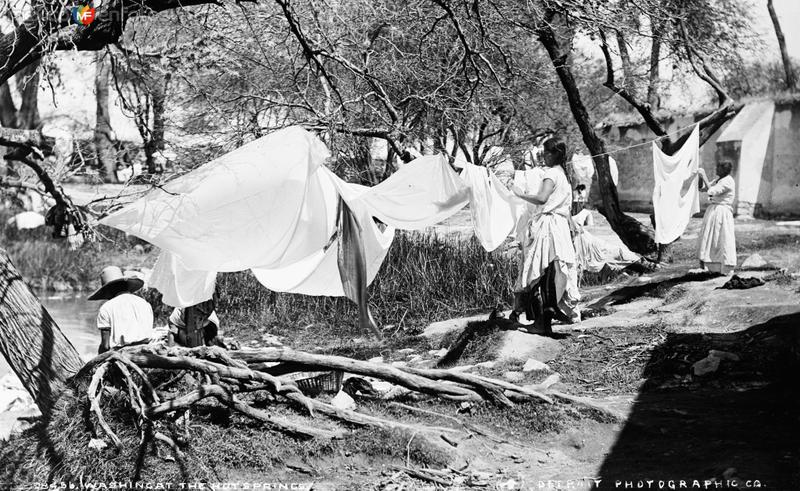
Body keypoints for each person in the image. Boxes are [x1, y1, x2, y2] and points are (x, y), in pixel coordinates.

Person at [511, 137, 581, 334]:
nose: (543, 157)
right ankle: (546, 317)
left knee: (539, 272)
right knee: (552, 272)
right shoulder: (564, 176)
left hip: (549, 227)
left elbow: (542, 198)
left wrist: (520, 194)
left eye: (545, 153)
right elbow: (566, 209)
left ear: (551, 154)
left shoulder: (551, 174)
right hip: (559, 227)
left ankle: (542, 321)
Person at [89, 266, 154, 354]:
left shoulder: (107, 308)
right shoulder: (144, 303)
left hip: (123, 355)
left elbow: (105, 346)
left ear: (109, 290)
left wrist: (98, 361)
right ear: (126, 285)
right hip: (147, 352)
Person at [696, 161, 737, 275]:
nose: (716, 170)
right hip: (714, 211)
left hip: (722, 212)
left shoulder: (728, 181)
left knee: (721, 238)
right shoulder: (719, 180)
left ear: (725, 170)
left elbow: (712, 192)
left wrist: (704, 175)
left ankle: (724, 267)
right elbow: (703, 188)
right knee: (710, 237)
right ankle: (710, 266)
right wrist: (700, 177)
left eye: (719, 168)